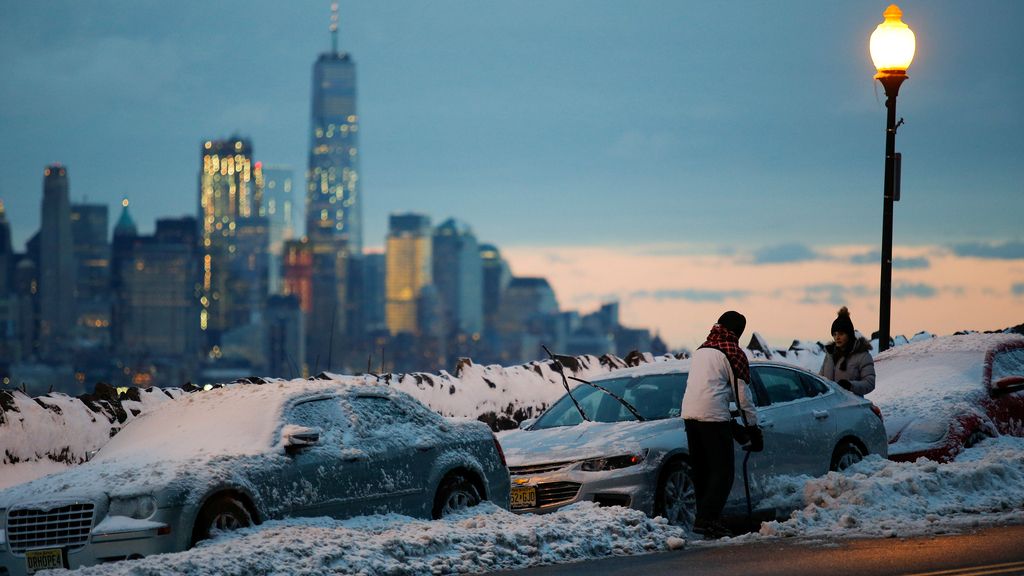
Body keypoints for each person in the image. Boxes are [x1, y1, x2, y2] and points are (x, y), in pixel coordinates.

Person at [681, 311, 762, 539]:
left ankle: (708, 519)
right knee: (722, 472)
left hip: (689, 414)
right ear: (738, 330)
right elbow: (742, 396)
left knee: (702, 470)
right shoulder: (732, 352)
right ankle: (706, 521)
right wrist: (753, 428)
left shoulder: (702, 349)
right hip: (712, 417)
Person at [820, 306, 876, 396]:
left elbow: (870, 383)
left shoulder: (862, 355)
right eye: (834, 334)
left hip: (852, 405)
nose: (837, 337)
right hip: (830, 405)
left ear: (849, 334)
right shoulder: (829, 354)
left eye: (841, 334)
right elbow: (821, 379)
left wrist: (850, 385)